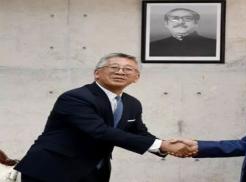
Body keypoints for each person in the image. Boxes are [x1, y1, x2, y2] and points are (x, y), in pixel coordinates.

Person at [14, 53, 193, 182]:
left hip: (95, 170)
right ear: (97, 73)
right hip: (52, 169)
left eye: (128, 69)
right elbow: (99, 131)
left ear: (136, 77)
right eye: (114, 67)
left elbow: (139, 133)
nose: (121, 72)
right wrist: (162, 145)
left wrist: (163, 147)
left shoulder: (132, 103)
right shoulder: (76, 97)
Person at [149, 8, 216, 57]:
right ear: (166, 24)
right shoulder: (152, 46)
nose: (180, 22)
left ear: (196, 23)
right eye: (175, 18)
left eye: (187, 18)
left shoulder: (214, 45)